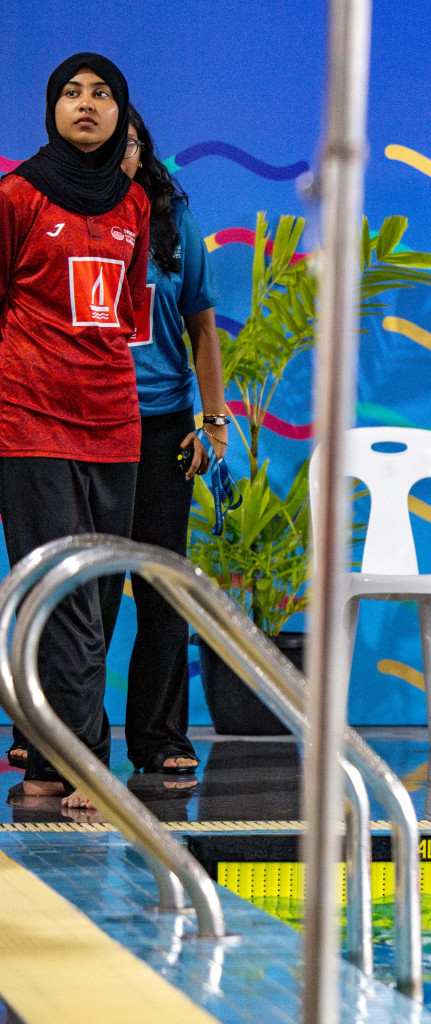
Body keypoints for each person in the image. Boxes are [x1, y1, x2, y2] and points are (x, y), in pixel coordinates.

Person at [1, 54, 150, 809]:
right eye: (70, 92)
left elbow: (129, 317)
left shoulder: (134, 204)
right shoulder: (16, 196)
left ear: (121, 112)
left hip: (115, 421)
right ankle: (89, 761)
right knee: (60, 599)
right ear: (50, 109)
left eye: (102, 94)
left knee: (102, 594)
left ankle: (45, 765)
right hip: (30, 417)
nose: (86, 104)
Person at [118, 106, 230, 775]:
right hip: (81, 425)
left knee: (161, 586)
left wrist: (212, 421)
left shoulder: (172, 223)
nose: (119, 153)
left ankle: (159, 738)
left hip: (161, 426)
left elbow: (203, 327)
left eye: (131, 142)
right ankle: (57, 743)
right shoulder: (61, 219)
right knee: (82, 596)